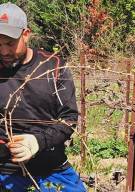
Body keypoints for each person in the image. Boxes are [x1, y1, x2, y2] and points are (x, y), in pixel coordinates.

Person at [0, 2, 85, 191]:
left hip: (51, 167)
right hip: (5, 169)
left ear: (26, 34)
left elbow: (69, 120)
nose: (4, 51)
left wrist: (37, 141)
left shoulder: (53, 66)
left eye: (9, 43)